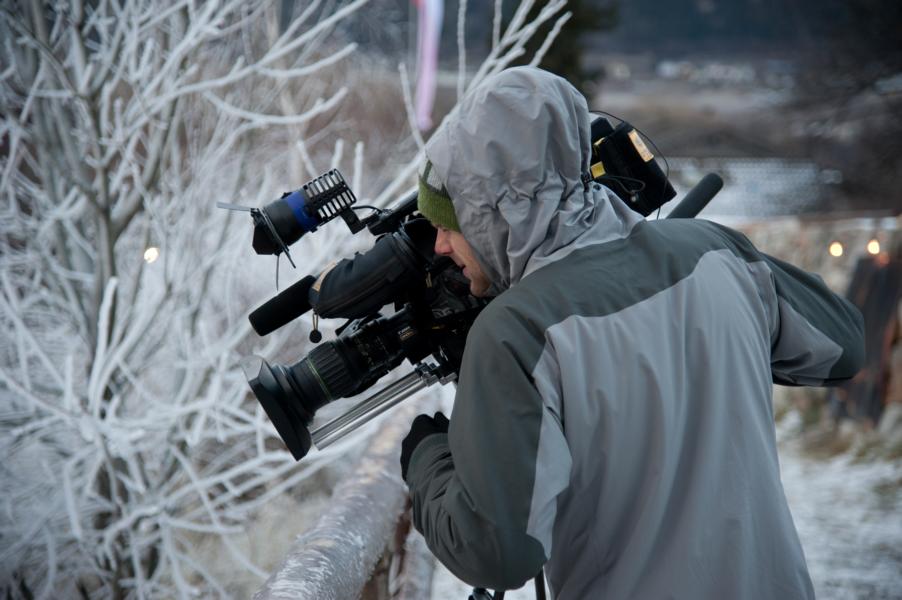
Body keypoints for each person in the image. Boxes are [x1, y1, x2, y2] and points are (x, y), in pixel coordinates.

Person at [399, 67, 864, 599]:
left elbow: (499, 553)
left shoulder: (516, 334)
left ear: (491, 216)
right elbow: (843, 346)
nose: (439, 247)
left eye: (447, 224)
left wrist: (428, 459)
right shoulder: (717, 253)